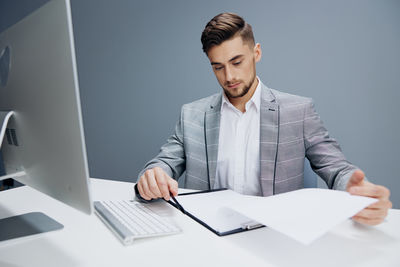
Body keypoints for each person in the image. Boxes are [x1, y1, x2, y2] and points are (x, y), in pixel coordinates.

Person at [136, 12, 391, 225]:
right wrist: (152, 176)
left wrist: (357, 192)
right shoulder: (192, 115)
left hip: (276, 237)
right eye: (218, 66)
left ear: (256, 52)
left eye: (237, 61)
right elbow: (163, 163)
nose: (229, 76)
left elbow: (338, 170)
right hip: (207, 236)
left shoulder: (298, 111)